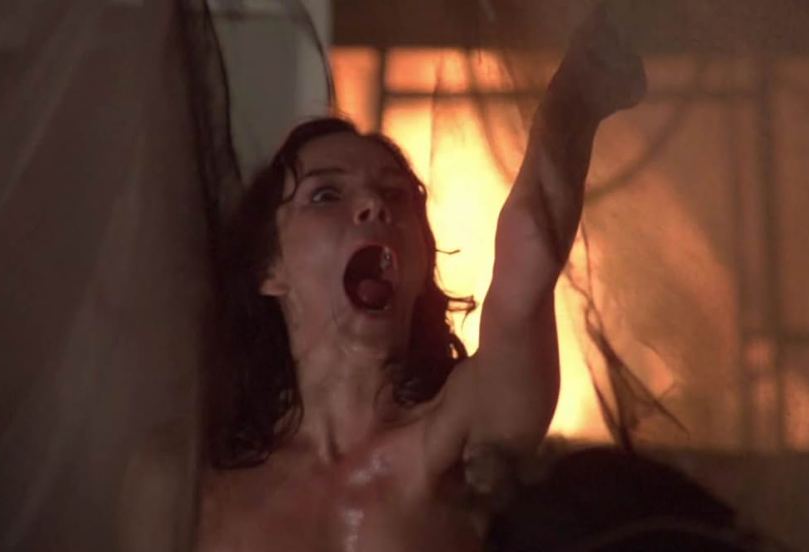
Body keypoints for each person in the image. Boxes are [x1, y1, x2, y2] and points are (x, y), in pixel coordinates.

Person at [195, 6, 645, 551]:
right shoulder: (195, 482)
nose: (373, 205)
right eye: (326, 195)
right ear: (269, 269)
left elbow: (532, 237)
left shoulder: (462, 438)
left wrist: (574, 96)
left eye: (395, 193)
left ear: (418, 267)